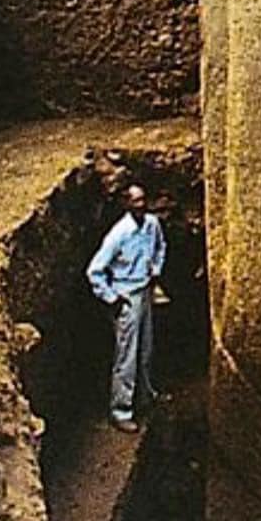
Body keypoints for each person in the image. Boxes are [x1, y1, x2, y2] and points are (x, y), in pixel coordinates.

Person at [86, 183, 167, 433]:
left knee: (146, 349)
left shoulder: (152, 224)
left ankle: (144, 397)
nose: (141, 205)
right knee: (127, 357)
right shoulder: (119, 234)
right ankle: (121, 411)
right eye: (136, 201)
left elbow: (160, 247)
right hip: (126, 296)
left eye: (143, 200)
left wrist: (155, 270)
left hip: (145, 292)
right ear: (126, 204)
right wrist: (112, 298)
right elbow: (95, 271)